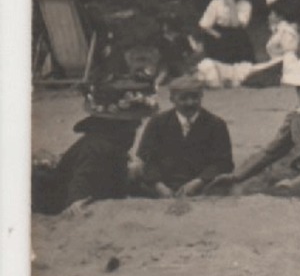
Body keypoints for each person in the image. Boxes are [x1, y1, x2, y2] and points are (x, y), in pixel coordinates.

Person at [218, 57, 300, 197]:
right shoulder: (294, 117)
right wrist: (238, 175)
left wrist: (295, 184)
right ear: (298, 92)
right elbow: (272, 151)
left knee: (281, 193)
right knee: (251, 188)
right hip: (298, 173)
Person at [32, 78, 158, 216]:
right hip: (57, 201)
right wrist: (77, 202)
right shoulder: (96, 149)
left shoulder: (110, 144)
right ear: (115, 126)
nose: (136, 129)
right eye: (131, 126)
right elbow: (80, 187)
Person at [131, 73, 233, 197]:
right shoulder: (157, 123)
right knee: (133, 172)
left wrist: (199, 181)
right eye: (183, 98)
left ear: (201, 96)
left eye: (195, 97)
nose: (190, 103)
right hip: (162, 184)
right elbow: (146, 158)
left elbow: (224, 162)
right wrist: (159, 186)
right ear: (172, 99)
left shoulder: (216, 124)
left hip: (203, 185)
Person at [195, 0, 255, 64]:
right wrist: (218, 36)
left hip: (236, 32)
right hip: (216, 33)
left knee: (239, 36)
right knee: (214, 41)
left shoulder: (245, 4)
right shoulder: (216, 2)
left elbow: (236, 25)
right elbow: (204, 26)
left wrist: (232, 6)